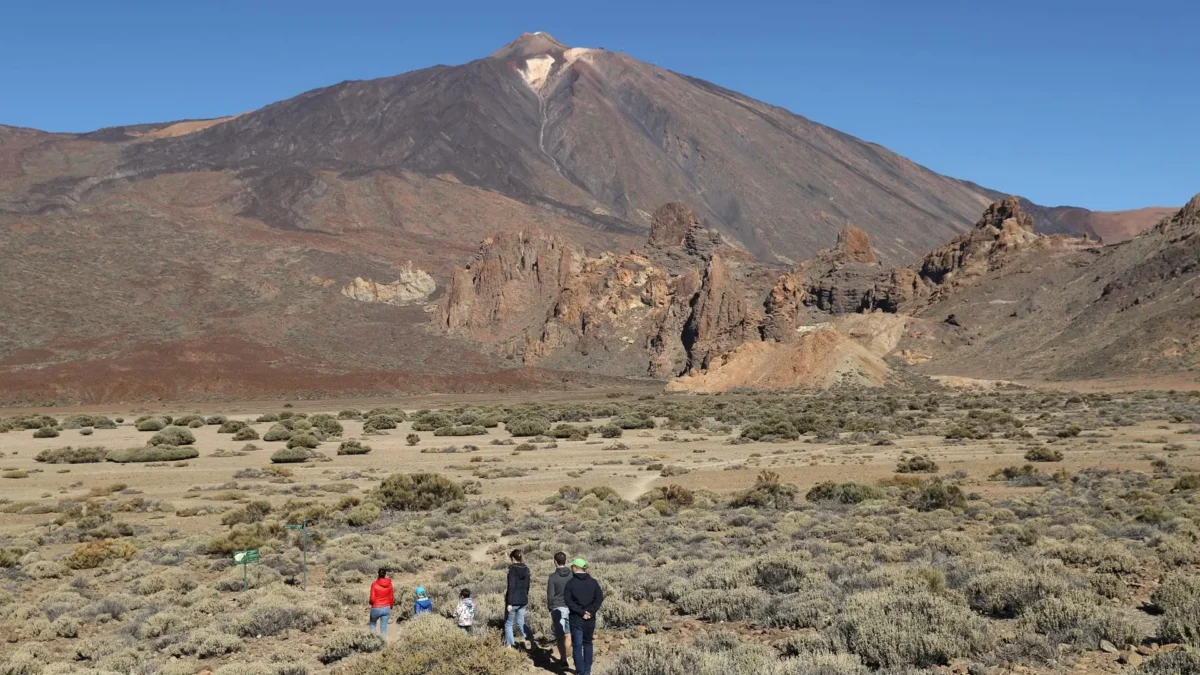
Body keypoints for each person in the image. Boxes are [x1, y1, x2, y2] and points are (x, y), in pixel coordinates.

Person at [564, 558, 603, 675]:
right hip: (590, 619)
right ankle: (587, 671)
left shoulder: (570, 583)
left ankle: (580, 672)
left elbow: (568, 601)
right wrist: (590, 612)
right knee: (588, 643)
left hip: (576, 618)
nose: (571, 569)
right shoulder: (593, 582)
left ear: (575, 568)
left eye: (572, 567)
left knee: (577, 646)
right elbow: (599, 599)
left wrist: (581, 612)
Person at [546, 551, 573, 666]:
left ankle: (563, 659)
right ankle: (567, 656)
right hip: (571, 607)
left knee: (560, 636)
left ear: (555, 562)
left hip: (558, 608)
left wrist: (550, 607)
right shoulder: (572, 575)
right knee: (568, 634)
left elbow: (550, 596)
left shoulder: (552, 578)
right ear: (565, 561)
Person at [503, 549, 534, 648]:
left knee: (508, 624)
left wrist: (509, 603)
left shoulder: (512, 570)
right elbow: (528, 585)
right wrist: (525, 595)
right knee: (521, 622)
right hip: (523, 600)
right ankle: (531, 641)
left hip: (513, 601)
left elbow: (511, 587)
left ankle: (509, 646)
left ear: (512, 558)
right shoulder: (526, 569)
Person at [368, 568, 394, 637]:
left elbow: (372, 599)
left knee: (373, 624)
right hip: (386, 607)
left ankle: (372, 641)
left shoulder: (374, 585)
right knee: (384, 628)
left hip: (376, 607)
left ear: (378, 574)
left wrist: (371, 603)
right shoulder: (390, 584)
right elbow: (391, 597)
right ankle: (383, 645)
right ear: (385, 575)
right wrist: (391, 606)